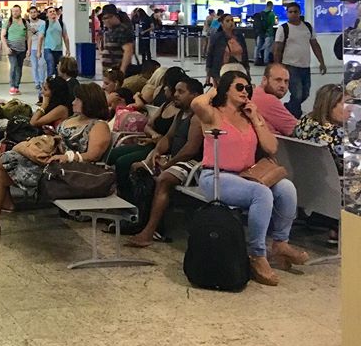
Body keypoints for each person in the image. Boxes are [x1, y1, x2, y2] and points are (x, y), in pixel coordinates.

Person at [0, 83, 111, 235]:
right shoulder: (73, 119)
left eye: (77, 99)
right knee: (1, 172)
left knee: (4, 165)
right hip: (49, 160)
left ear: (88, 102)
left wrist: (66, 156)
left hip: (65, 170)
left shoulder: (98, 126)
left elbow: (93, 155)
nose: (73, 102)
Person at [191, 70, 306, 286]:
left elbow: (271, 147)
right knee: (261, 193)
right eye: (239, 87)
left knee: (286, 188)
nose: (245, 92)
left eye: (248, 88)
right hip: (215, 176)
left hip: (247, 175)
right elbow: (197, 103)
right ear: (227, 89)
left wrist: (256, 118)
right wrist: (216, 88)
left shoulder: (250, 115)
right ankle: (257, 254)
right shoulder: (213, 114)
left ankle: (281, 243)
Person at [125, 78, 206, 247]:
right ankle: (141, 219)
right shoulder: (180, 114)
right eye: (176, 90)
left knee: (164, 179)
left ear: (196, 95)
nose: (175, 94)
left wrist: (169, 164)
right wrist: (156, 153)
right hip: (175, 159)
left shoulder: (197, 117)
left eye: (181, 92)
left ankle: (150, 231)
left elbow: (191, 149)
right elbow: (168, 138)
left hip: (193, 163)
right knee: (137, 168)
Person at [107, 72, 192, 194]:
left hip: (161, 147)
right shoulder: (166, 105)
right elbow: (148, 126)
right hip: (152, 142)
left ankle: (127, 195)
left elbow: (172, 138)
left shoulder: (181, 112)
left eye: (167, 86)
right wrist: (154, 135)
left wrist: (158, 141)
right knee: (113, 153)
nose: (164, 89)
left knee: (123, 162)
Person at [293, 84, 345, 246]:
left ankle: (335, 229)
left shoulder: (304, 124)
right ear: (329, 105)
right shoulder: (336, 135)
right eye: (344, 104)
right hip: (335, 192)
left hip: (308, 190)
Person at [273, 2, 327, 117]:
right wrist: (277, 66)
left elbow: (315, 45)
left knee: (305, 94)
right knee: (297, 94)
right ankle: (295, 117)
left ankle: (289, 107)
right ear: (287, 13)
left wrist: (321, 62)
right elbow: (277, 48)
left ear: (300, 13)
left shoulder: (307, 27)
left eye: (295, 12)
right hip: (290, 66)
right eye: (290, 12)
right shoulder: (283, 28)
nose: (293, 14)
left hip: (305, 66)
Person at [251, 64, 298, 136]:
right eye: (278, 80)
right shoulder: (268, 99)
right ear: (264, 80)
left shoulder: (255, 93)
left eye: (286, 81)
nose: (283, 85)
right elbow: (298, 130)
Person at [205, 13, 249, 83]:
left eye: (232, 20)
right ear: (222, 24)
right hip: (221, 71)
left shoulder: (239, 36)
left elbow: (245, 54)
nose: (231, 22)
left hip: (238, 69)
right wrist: (208, 74)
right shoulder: (217, 37)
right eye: (227, 21)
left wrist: (247, 71)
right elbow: (210, 54)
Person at [1, 5, 28, 95]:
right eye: (13, 11)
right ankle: (12, 86)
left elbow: (30, 36)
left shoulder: (25, 22)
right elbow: (2, 35)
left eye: (17, 11)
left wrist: (29, 49)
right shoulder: (8, 22)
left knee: (19, 68)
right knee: (14, 66)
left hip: (22, 49)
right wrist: (6, 47)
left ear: (20, 12)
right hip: (12, 49)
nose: (15, 13)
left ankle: (17, 86)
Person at [99, 4, 134, 75]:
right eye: (104, 18)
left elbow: (128, 51)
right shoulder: (110, 31)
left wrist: (122, 71)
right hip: (109, 70)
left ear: (115, 16)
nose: (106, 21)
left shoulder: (122, 30)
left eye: (108, 18)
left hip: (117, 71)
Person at [42, 6, 70, 81]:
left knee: (58, 69)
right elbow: (40, 38)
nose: (52, 13)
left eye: (53, 11)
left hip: (58, 49)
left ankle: (56, 85)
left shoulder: (61, 23)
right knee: (51, 66)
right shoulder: (45, 24)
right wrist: (38, 51)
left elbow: (65, 36)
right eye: (50, 12)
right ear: (47, 14)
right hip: (48, 49)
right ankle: (49, 85)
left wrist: (68, 49)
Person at [26, 5, 47, 101]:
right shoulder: (28, 24)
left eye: (35, 12)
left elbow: (43, 36)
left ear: (37, 13)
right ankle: (37, 83)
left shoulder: (43, 23)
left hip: (42, 47)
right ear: (29, 14)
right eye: (31, 12)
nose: (33, 14)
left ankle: (42, 81)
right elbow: (29, 38)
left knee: (41, 65)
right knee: (34, 66)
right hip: (33, 48)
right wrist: (29, 50)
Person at [253, 1, 278, 66]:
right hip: (269, 33)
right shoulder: (271, 14)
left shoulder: (261, 13)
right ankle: (266, 61)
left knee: (258, 46)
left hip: (260, 33)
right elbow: (272, 23)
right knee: (267, 47)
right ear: (271, 6)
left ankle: (256, 59)